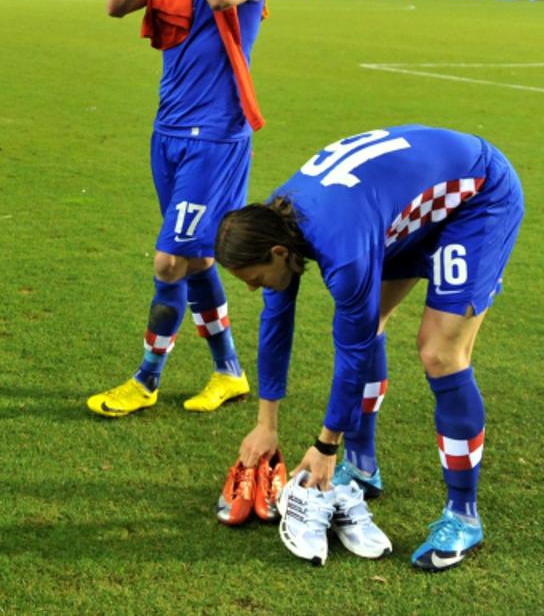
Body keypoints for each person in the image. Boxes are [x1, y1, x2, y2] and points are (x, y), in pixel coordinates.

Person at [216, 125, 523, 570]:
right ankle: (361, 468)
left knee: (440, 353)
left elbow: (353, 350)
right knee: (371, 318)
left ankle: (463, 516)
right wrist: (267, 425)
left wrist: (324, 448)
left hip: (477, 199)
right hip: (398, 208)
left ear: (280, 253)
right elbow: (275, 326)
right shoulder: (274, 225)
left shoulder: (342, 249)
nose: (252, 289)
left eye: (254, 279)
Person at [89, 0, 270, 418]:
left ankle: (146, 379)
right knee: (194, 258)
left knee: (170, 261)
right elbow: (116, 5)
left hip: (216, 140)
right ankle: (230, 372)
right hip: (167, 135)